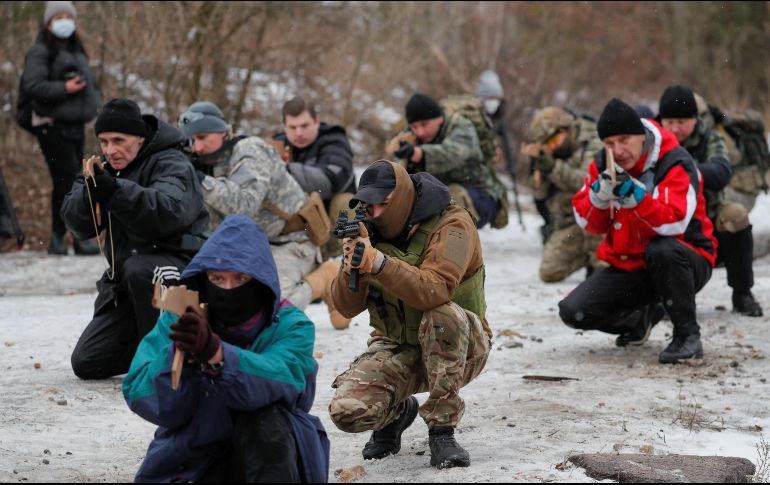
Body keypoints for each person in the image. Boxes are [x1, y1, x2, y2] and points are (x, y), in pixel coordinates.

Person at [122, 214, 330, 483]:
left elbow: (285, 380)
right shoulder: (182, 318)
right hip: (194, 456)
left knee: (267, 418)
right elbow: (141, 394)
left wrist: (217, 355)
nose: (228, 289)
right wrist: (179, 357)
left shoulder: (290, 324)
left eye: (240, 279)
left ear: (261, 279)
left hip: (271, 455)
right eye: (217, 279)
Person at [328, 160, 491, 469]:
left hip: (463, 345)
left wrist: (378, 263)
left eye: (382, 204)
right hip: (399, 344)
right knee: (348, 412)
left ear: (402, 197)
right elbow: (346, 308)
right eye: (367, 205)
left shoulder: (452, 224)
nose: (374, 213)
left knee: (441, 315)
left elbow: (436, 290)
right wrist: (354, 266)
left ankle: (442, 431)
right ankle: (397, 413)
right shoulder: (367, 231)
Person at [559, 98, 717, 364]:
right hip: (631, 263)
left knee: (662, 249)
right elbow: (589, 223)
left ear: (641, 137)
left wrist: (637, 198)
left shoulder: (674, 160)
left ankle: (687, 336)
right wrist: (599, 199)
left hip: (688, 258)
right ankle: (638, 321)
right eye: (610, 143)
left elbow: (675, 223)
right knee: (574, 311)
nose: (618, 150)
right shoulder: (602, 164)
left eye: (624, 140)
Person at [61, 98, 210, 379]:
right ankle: (154, 349)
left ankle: (172, 357)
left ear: (140, 138)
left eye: (119, 140)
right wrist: (89, 196)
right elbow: (78, 225)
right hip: (127, 285)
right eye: (104, 142)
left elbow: (169, 212)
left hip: (180, 268)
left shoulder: (172, 162)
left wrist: (116, 192)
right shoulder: (103, 168)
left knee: (141, 269)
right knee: (87, 362)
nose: (110, 150)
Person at [178, 101, 349, 329]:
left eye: (202, 138)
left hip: (292, 240)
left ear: (222, 132)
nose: (197, 147)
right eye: (192, 141)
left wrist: (197, 179)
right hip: (253, 245)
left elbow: (243, 205)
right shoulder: (206, 163)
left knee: (271, 311)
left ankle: (325, 278)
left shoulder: (250, 150)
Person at [658, 85, 763, 317]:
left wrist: (684, 171)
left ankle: (742, 292)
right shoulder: (650, 139)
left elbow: (721, 172)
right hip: (663, 220)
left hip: (707, 220)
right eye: (669, 122)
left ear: (695, 120)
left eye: (682, 122)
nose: (675, 129)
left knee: (735, 215)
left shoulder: (711, 136)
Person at [19, 1, 101, 255]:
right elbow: (33, 86)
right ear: (48, 23)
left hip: (75, 125)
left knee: (73, 181)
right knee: (66, 180)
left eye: (69, 16)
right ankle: (65, 237)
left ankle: (65, 237)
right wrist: (65, 89)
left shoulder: (78, 51)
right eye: (59, 17)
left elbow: (92, 85)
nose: (65, 21)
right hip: (51, 127)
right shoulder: (40, 52)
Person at [392, 93, 501, 229]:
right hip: (438, 193)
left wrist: (419, 154)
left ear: (439, 119)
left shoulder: (462, 126)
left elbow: (454, 154)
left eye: (424, 125)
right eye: (415, 127)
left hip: (478, 194)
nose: (419, 132)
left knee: (449, 204)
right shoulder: (410, 135)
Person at [524, 107, 606, 282]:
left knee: (602, 267)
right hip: (569, 222)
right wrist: (538, 167)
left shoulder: (595, 141)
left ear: (566, 130)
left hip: (598, 219)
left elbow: (587, 182)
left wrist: (554, 168)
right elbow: (539, 194)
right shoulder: (554, 154)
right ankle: (586, 255)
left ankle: (599, 261)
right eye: (548, 145)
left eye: (554, 141)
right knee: (549, 271)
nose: (552, 148)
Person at [272, 95, 356, 213]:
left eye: (304, 126)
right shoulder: (276, 144)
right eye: (292, 127)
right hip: (294, 212)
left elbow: (330, 182)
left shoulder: (335, 141)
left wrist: (285, 169)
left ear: (316, 121)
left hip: (330, 213)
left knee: (345, 203)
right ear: (285, 126)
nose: (299, 133)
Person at [475, 69, 523, 229]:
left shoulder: (500, 114)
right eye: (489, 98)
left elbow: (507, 142)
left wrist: (511, 166)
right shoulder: (474, 114)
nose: (492, 102)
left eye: (495, 98)